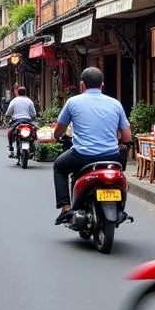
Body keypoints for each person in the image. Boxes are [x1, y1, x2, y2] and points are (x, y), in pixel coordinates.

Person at [52, 67, 131, 224]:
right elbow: (127, 136)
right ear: (102, 85)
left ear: (82, 85)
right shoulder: (115, 104)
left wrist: (56, 136)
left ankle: (66, 207)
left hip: (82, 156)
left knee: (59, 167)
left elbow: (59, 131)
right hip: (111, 157)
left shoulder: (72, 102)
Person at [5, 86, 38, 155]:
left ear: (17, 93)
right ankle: (32, 146)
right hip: (27, 120)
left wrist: (7, 116)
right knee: (34, 132)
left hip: (16, 121)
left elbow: (9, 112)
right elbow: (34, 114)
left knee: (10, 132)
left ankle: (11, 146)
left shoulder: (14, 101)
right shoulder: (29, 101)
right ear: (25, 93)